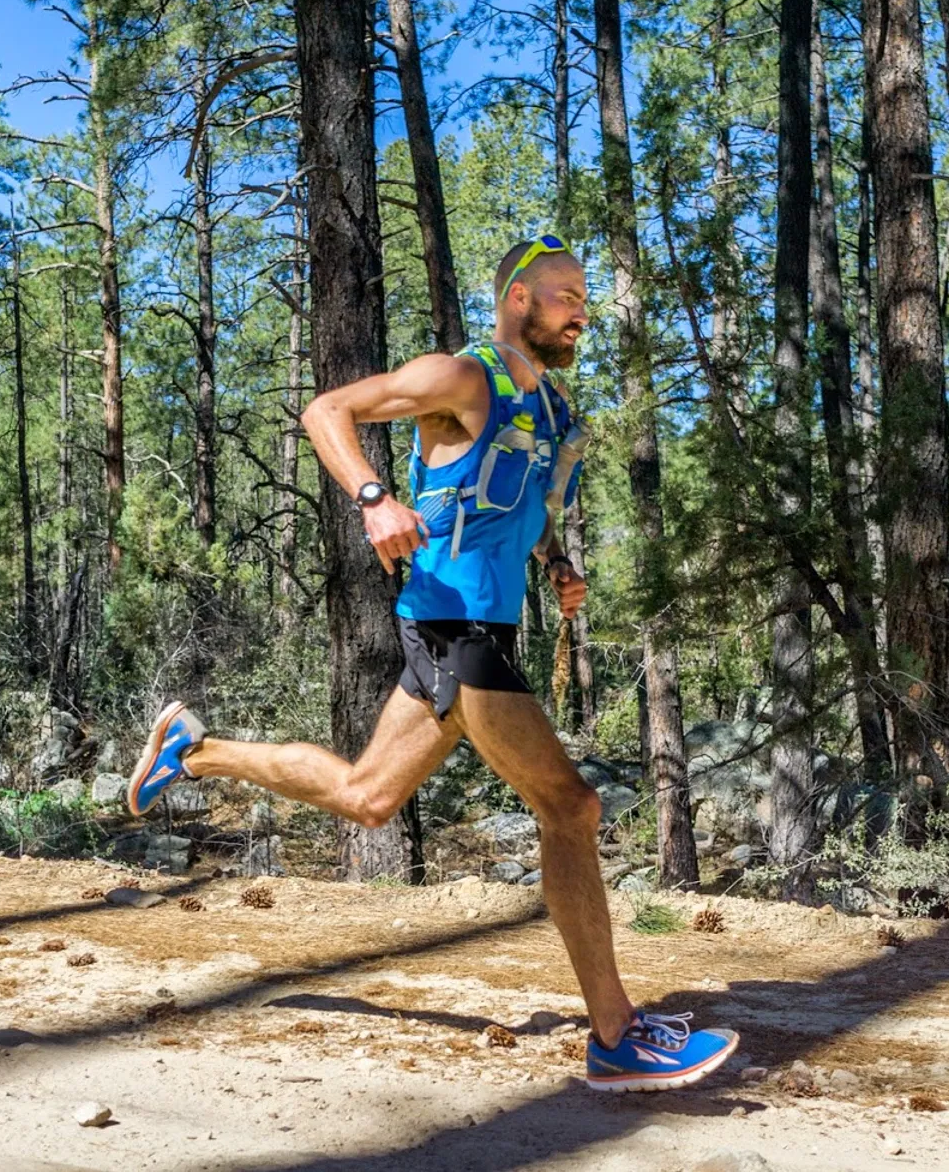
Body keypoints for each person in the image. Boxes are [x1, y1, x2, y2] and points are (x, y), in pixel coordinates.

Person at [126, 234, 739, 1093]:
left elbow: (519, 504)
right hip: (454, 630)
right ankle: (615, 1036)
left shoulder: (552, 410)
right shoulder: (462, 376)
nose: (581, 309)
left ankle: (192, 749)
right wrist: (375, 499)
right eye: (565, 293)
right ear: (518, 298)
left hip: (471, 627)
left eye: (584, 295)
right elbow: (325, 411)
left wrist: (556, 563)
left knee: (368, 798)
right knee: (572, 806)